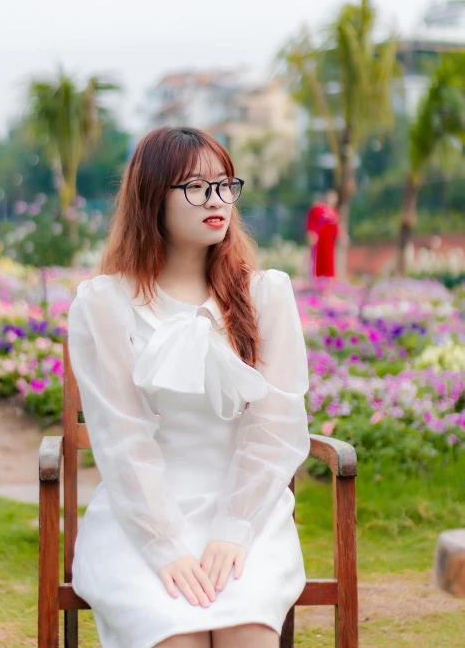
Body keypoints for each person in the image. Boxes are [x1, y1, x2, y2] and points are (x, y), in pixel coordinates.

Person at [67, 126, 310, 648]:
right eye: (197, 188)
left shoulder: (264, 294)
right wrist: (164, 545)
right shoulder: (105, 304)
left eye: (225, 185)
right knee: (175, 635)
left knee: (247, 634)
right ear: (153, 197)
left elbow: (275, 429)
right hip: (141, 517)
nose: (216, 200)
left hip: (248, 512)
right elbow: (122, 439)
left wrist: (234, 528)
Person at [306, 188, 348, 281]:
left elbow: (336, 226)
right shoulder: (318, 209)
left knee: (329, 263)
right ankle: (316, 283)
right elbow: (311, 221)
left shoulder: (334, 212)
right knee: (317, 262)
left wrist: (342, 235)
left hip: (329, 242)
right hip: (319, 241)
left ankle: (328, 285)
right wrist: (311, 233)